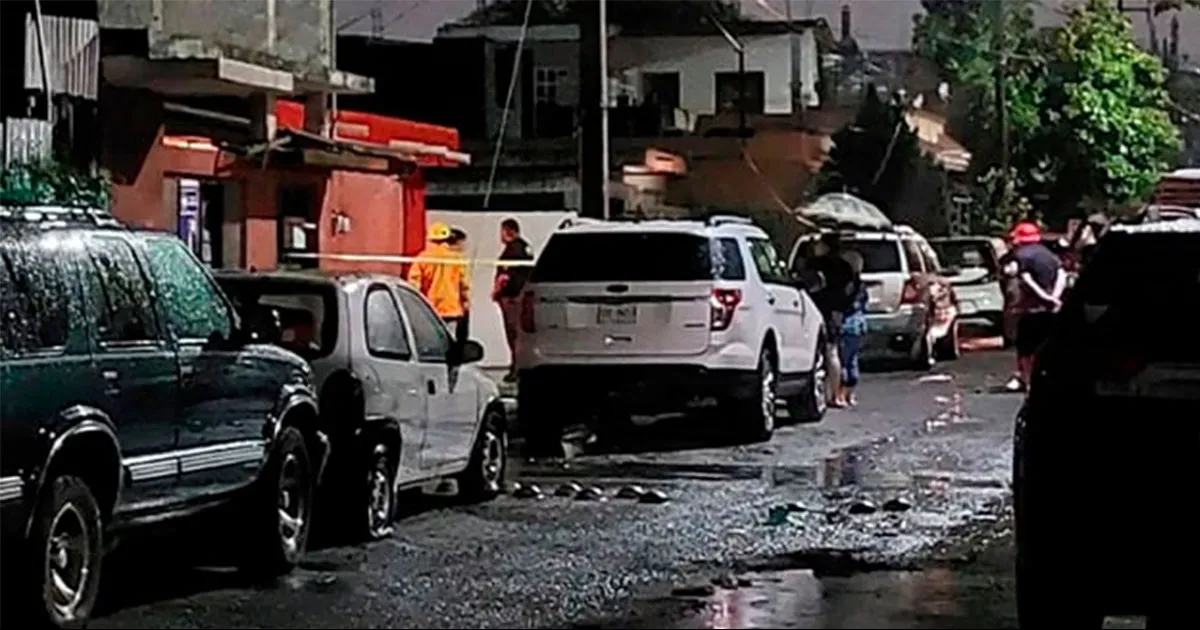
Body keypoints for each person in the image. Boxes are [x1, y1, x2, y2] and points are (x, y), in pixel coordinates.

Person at [1003, 221, 1066, 392]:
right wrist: (1055, 297)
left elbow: (1026, 278)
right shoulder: (1050, 256)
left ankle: (1029, 381)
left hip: (1030, 310)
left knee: (1026, 349)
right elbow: (1062, 274)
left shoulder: (1021, 256)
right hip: (1051, 311)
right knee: (1047, 346)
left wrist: (1044, 297)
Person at [806, 233, 856, 407]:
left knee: (821, 351)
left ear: (826, 246)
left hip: (815, 309)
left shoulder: (814, 264)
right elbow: (852, 289)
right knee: (832, 351)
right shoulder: (845, 266)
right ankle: (835, 394)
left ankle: (825, 393)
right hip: (836, 311)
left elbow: (806, 283)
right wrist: (843, 306)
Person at [408, 221, 470, 335]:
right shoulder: (457, 259)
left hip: (429, 309)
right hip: (451, 308)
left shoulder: (422, 258)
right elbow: (464, 284)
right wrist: (466, 302)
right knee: (449, 341)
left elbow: (414, 284)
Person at [492, 217, 534, 382]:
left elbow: (505, 276)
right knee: (520, 333)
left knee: (513, 333)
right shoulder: (525, 247)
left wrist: (496, 291)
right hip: (523, 296)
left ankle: (516, 369)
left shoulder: (512, 250)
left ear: (507, 231)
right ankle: (518, 366)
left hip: (512, 298)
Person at [838, 250, 868, 407]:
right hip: (859, 326)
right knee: (853, 360)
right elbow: (864, 306)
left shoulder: (846, 285)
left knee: (843, 361)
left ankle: (841, 394)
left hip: (846, 326)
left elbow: (844, 305)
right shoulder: (861, 285)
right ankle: (851, 394)